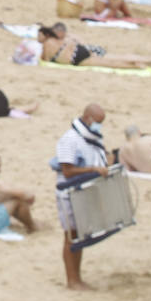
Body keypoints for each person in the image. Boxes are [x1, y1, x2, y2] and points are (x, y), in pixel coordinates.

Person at [56, 104, 109, 290]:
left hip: (83, 193)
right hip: (69, 194)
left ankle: (77, 277)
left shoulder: (90, 139)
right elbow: (67, 170)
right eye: (98, 122)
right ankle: (72, 280)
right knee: (71, 236)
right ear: (88, 118)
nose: (100, 126)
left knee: (78, 236)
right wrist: (92, 169)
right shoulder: (70, 139)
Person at [38, 22, 151, 69]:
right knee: (112, 58)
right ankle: (147, 60)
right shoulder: (57, 39)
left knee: (110, 63)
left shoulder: (47, 45)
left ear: (44, 35)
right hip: (80, 51)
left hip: (77, 58)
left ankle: (137, 66)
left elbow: (46, 60)